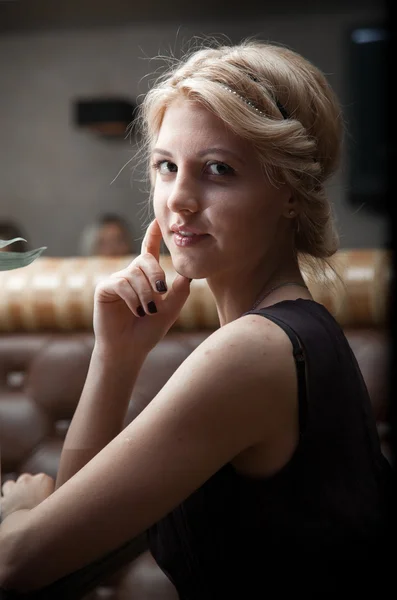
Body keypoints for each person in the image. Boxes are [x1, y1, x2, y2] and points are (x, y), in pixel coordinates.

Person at [0, 39, 393, 598]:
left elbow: (21, 563)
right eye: (165, 166)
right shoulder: (291, 334)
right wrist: (115, 355)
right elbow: (73, 530)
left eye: (217, 169)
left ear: (289, 192)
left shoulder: (254, 352)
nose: (178, 198)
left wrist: (17, 512)